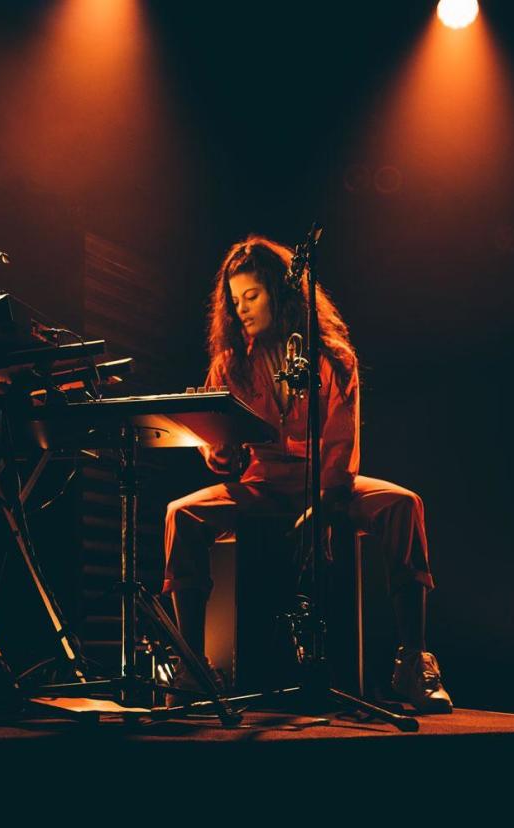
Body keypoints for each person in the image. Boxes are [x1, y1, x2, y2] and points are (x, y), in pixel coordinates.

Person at [163, 235, 452, 713]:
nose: (242, 311)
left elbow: (341, 448)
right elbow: (226, 457)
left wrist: (324, 503)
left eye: (252, 296)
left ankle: (413, 660)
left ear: (281, 291)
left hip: (330, 484)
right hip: (262, 486)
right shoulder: (230, 365)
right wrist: (219, 453)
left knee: (404, 504)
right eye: (235, 302)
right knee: (182, 514)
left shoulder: (333, 358)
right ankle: (192, 664)